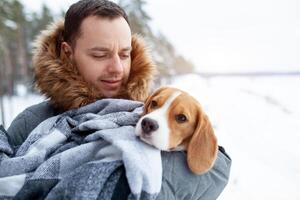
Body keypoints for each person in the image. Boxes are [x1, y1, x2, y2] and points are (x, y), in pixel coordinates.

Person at [6, 0, 231, 199]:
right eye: (100, 55)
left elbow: (216, 170)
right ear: (67, 52)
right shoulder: (30, 122)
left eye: (125, 54)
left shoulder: (151, 106)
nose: (117, 68)